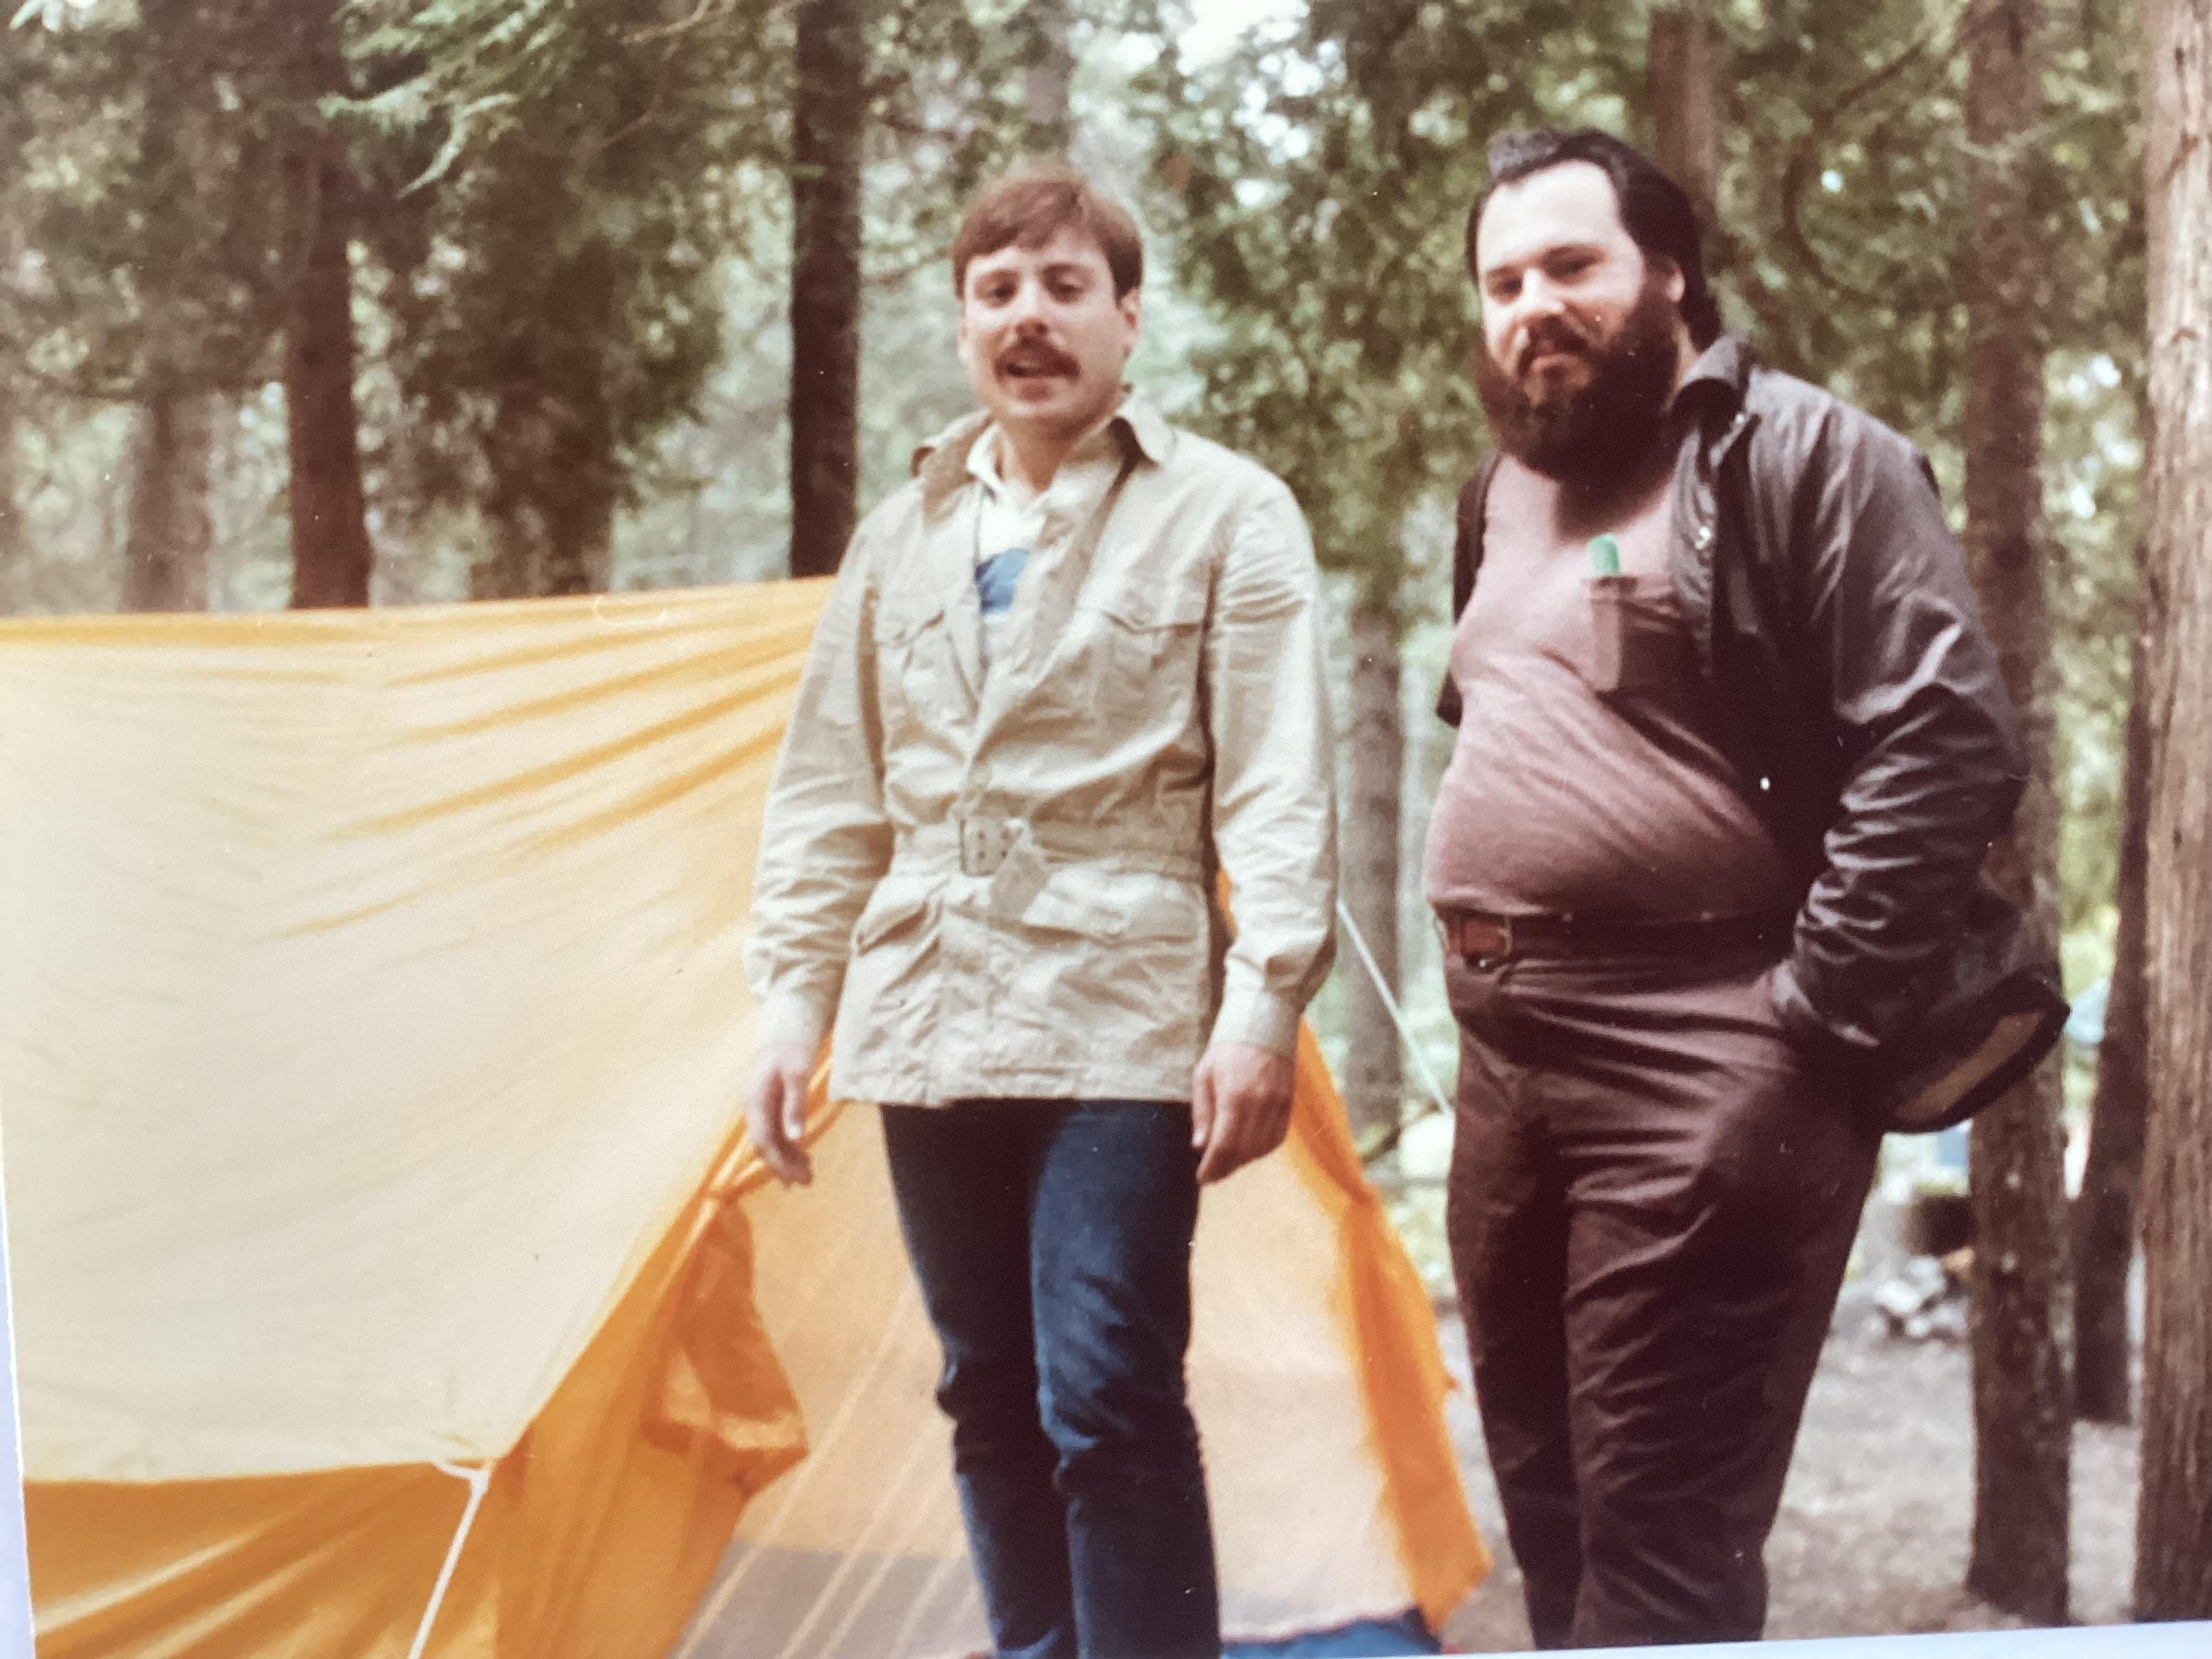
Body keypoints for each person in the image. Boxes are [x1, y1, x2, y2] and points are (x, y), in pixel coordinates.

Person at [1425, 127, 2057, 1647]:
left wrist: (1813, 1015)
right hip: (1506, 1064)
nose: (1534, 306)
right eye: (1504, 283)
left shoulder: (1811, 457)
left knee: (1662, 1545)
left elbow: (1944, 735)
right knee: (1555, 1518)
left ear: (1670, 275)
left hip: (1706, 1053)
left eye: (1571, 265)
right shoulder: (1498, 494)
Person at [741, 164, 1338, 1659]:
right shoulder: (902, 537)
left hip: (1121, 1018)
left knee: (1107, 1389)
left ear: (1127, 318)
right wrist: (792, 1004)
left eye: (1066, 288)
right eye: (997, 292)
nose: (1030, 319)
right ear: (962, 326)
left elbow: (1278, 782)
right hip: (925, 1011)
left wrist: (1263, 1004)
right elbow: (829, 793)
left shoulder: (1228, 514)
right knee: (987, 1394)